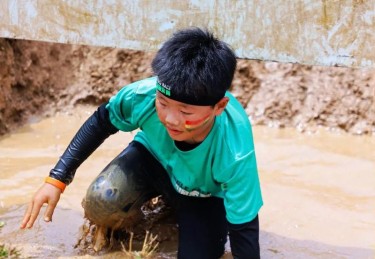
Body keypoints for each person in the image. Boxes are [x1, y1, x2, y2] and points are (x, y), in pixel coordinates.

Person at [20, 27, 263, 259]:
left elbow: (244, 229)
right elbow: (101, 122)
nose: (170, 119)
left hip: (203, 194)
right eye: (163, 103)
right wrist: (57, 178)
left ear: (219, 107)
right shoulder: (143, 95)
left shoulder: (235, 149)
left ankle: (181, 213)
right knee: (101, 201)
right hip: (152, 159)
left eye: (186, 112)